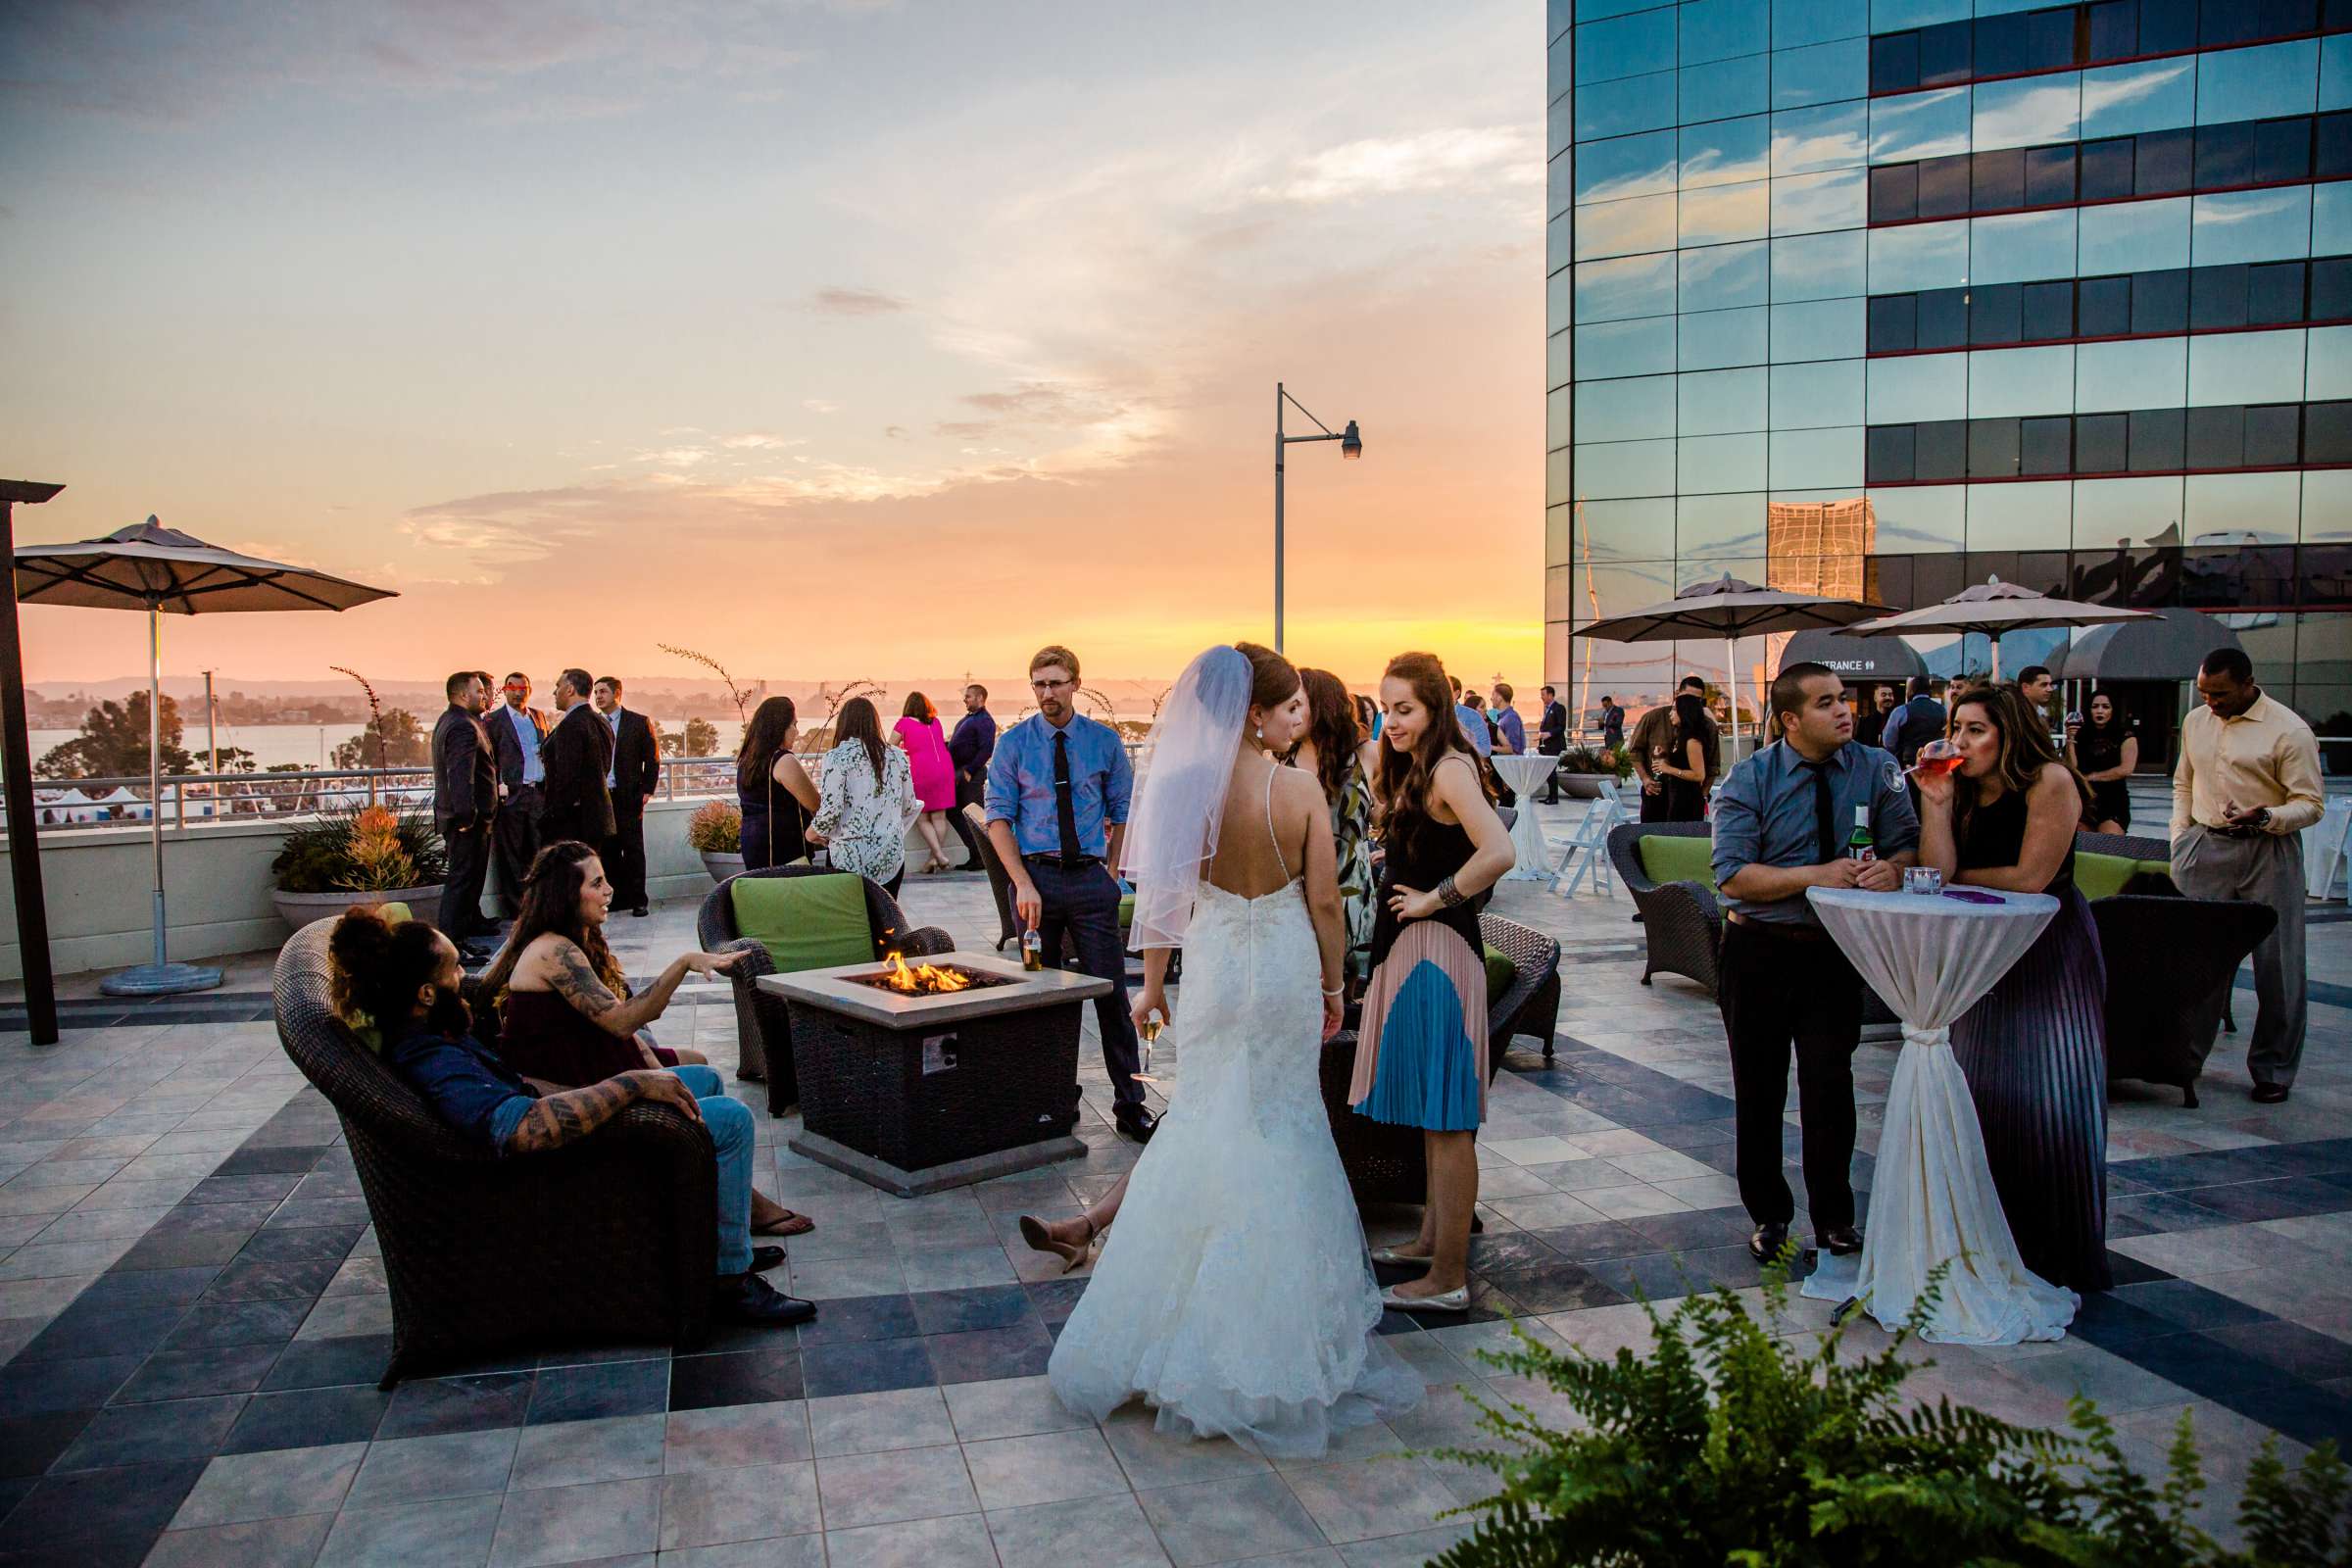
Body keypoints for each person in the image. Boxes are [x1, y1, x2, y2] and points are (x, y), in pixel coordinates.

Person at [1044, 642, 1420, 1453]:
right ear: (1256, 713)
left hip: (1212, 971)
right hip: (1283, 968)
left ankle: (1166, 1325)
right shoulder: (1299, 789)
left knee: (1207, 1118)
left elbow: (1159, 899)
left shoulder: (1184, 788)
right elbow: (1325, 903)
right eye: (1286, 709)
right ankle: (1272, 1338)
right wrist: (1333, 987)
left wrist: (1150, 987)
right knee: (1281, 1122)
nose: (1298, 724)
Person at [325, 906, 813, 1325]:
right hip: (546, 1177)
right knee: (729, 1119)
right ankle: (728, 1282)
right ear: (425, 995)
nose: (463, 979)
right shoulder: (434, 1061)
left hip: (547, 1151)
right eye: (454, 970)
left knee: (700, 1082)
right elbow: (524, 1129)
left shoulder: (433, 1035)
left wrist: (601, 1085)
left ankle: (713, 1232)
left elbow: (523, 1088)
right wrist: (630, 1086)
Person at [1710, 662, 1918, 1264]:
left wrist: (1894, 869)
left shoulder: (1876, 767)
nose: (1844, 710)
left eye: (1844, 699)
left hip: (1833, 952)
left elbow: (1907, 841)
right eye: (1826, 703)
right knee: (1760, 1089)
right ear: (1791, 719)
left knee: (1831, 1086)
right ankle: (1770, 1215)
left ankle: (1835, 1218)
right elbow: (1734, 875)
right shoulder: (1750, 778)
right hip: (1759, 951)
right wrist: (1818, 876)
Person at [1915, 683, 2109, 1293]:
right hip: (1981, 950)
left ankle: (2054, 1253)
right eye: (1957, 727)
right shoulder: (1960, 784)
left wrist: (1946, 881)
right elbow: (1936, 870)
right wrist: (1937, 803)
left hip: (2048, 947)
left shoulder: (2051, 780)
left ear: (2009, 733)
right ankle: (1985, 1244)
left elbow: (2031, 878)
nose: (1962, 740)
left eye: (1977, 729)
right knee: (1984, 1092)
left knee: (2050, 1094)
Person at [1350, 652, 1516, 1311]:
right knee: (1432, 1113)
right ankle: (1428, 1241)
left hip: (1436, 955)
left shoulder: (1449, 766)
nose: (1392, 721)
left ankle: (1448, 1277)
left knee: (1447, 1121)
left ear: (1435, 709)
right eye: (1386, 708)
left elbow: (1499, 851)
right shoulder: (1420, 768)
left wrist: (1433, 898)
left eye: (1405, 709)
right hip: (1415, 955)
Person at [986, 644, 1152, 1142]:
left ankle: (1131, 1104)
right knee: (1041, 997)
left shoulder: (1103, 742)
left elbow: (1123, 808)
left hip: (1088, 881)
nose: (1047, 693)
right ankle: (1050, 1100)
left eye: (1056, 683)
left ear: (1076, 683)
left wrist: (1112, 870)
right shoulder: (1013, 745)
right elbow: (997, 818)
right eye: (1039, 684)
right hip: (1035, 882)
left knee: (1111, 994)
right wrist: (1021, 883)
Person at [2172, 648, 2325, 1102]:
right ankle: (2182, 1056)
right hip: (2206, 845)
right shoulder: (2196, 722)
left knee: (2277, 964)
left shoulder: (2289, 731)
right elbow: (2184, 780)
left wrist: (2267, 817)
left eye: (2219, 694)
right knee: (2194, 959)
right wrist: (2181, 837)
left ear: (2247, 684)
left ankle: (2273, 1069)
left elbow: (2311, 803)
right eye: (2204, 692)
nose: (2210, 702)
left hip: (2268, 849)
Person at [481, 840, 714, 1079]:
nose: (608, 890)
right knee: (708, 1079)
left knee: (697, 1061)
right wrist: (684, 963)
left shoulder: (580, 939)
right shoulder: (553, 950)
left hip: (592, 1058)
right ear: (567, 894)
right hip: (569, 1080)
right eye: (597, 883)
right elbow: (623, 1022)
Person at [1291, 667, 1382, 980]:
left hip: (1354, 902)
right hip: (1297, 906)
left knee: (1346, 1004)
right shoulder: (1277, 761)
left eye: (1296, 704)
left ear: (1321, 705)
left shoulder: (1366, 754)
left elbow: (1403, 807)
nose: (1289, 713)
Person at [809, 697, 921, 896]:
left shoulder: (836, 758)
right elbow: (909, 805)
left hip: (847, 860)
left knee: (851, 922)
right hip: (890, 859)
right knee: (888, 922)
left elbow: (831, 811)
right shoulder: (897, 756)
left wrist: (811, 833)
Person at [431, 671, 499, 956]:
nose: (485, 696)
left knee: (466, 881)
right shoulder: (461, 726)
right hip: (467, 822)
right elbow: (461, 776)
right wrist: (466, 817)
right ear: (462, 695)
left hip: (466, 819)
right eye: (480, 691)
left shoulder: (452, 720)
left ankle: (464, 935)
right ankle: (453, 947)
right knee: (461, 883)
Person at [593, 676, 660, 917]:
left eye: (603, 692)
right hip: (603, 797)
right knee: (608, 851)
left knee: (633, 849)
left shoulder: (637, 722)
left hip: (628, 796)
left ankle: (638, 900)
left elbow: (652, 759)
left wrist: (646, 790)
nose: (598, 696)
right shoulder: (594, 723)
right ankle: (617, 899)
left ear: (617, 694)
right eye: (596, 692)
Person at [488, 672, 550, 917]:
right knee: (512, 856)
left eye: (522, 687)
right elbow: (489, 759)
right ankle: (517, 910)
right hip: (512, 796)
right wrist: (499, 787)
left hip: (538, 795)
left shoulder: (538, 717)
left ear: (529, 690)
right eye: (512, 687)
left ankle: (538, 905)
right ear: (504, 690)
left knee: (538, 852)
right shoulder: (494, 721)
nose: (517, 692)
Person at [736, 696, 820, 871]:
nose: (797, 732)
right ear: (779, 727)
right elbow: (814, 803)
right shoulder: (783, 760)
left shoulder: (747, 760)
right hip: (784, 848)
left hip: (754, 845)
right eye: (794, 725)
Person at [537, 668, 615, 853]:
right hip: (596, 817)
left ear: (570, 689)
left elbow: (568, 777)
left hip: (573, 822)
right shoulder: (600, 721)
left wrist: (551, 817)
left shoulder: (571, 725)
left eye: (558, 686)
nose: (554, 692)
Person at [892, 692, 957, 874]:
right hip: (944, 768)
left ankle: (938, 855)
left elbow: (890, 748)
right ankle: (933, 859)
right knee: (939, 816)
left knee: (922, 817)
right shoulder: (935, 722)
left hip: (922, 769)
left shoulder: (903, 723)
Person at [2067, 692, 2137, 833]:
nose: (2100, 711)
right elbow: (2071, 767)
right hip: (2085, 801)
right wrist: (2071, 740)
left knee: (2109, 844)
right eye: (2095, 706)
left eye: (2105, 707)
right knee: (2082, 845)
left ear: (2113, 710)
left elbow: (2126, 769)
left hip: (2113, 800)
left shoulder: (2125, 735)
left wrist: (2090, 777)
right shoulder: (2082, 734)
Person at [944, 683, 998, 867]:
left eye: (968, 696)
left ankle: (982, 857)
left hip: (970, 775)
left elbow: (986, 749)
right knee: (954, 812)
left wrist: (970, 771)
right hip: (960, 773)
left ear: (980, 698)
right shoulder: (970, 718)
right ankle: (976, 855)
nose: (964, 699)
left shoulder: (985, 720)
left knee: (973, 816)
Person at [1657, 690, 1713, 821]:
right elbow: (1684, 760)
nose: (1670, 714)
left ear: (1685, 712)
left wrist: (1668, 769)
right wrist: (1665, 754)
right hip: (1676, 796)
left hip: (1687, 801)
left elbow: (1699, 775)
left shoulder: (1692, 741)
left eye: (1674, 710)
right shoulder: (1681, 736)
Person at [1881, 674, 1946, 769]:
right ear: (1929, 691)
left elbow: (1888, 742)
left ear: (1911, 691)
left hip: (1907, 764)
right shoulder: (1942, 710)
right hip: (1934, 763)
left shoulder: (1901, 711)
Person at [1541, 684, 1573, 803]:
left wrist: (1549, 733)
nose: (1541, 697)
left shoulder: (1559, 708)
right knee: (1548, 771)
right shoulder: (1547, 709)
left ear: (1550, 695)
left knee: (1551, 771)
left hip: (1554, 745)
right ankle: (1550, 796)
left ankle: (1554, 797)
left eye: (1543, 695)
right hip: (1546, 745)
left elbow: (1561, 726)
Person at [1447, 674, 1493, 760]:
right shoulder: (1431, 715)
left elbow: (1485, 751)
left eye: (1445, 690)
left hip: (1463, 768)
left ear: (1456, 694)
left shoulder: (1472, 716)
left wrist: (1463, 740)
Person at [1855, 686, 1897, 751]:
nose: (1888, 697)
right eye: (1884, 695)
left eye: (1890, 695)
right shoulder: (1865, 722)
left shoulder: (1898, 720)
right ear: (1875, 698)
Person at [1492, 681, 1525, 756]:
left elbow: (1513, 749)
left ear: (1499, 697)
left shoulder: (1510, 718)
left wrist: (1491, 747)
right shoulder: (1504, 717)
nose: (1491, 698)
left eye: (1493, 695)